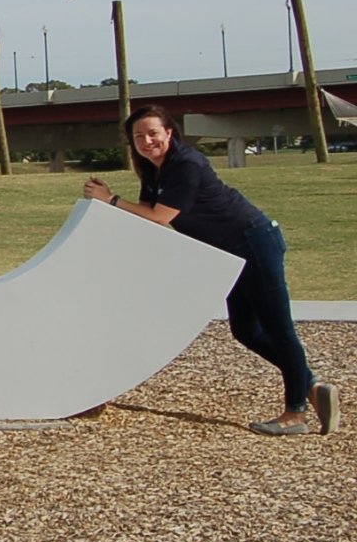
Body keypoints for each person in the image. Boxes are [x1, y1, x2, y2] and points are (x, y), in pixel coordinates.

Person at [84, 104, 339, 437]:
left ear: (169, 133)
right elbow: (149, 212)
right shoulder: (154, 169)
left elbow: (161, 216)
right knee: (245, 330)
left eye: (153, 134)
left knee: (279, 328)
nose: (146, 141)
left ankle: (296, 412)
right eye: (139, 137)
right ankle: (310, 384)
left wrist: (111, 200)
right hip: (227, 250)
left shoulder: (185, 164)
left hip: (253, 241)